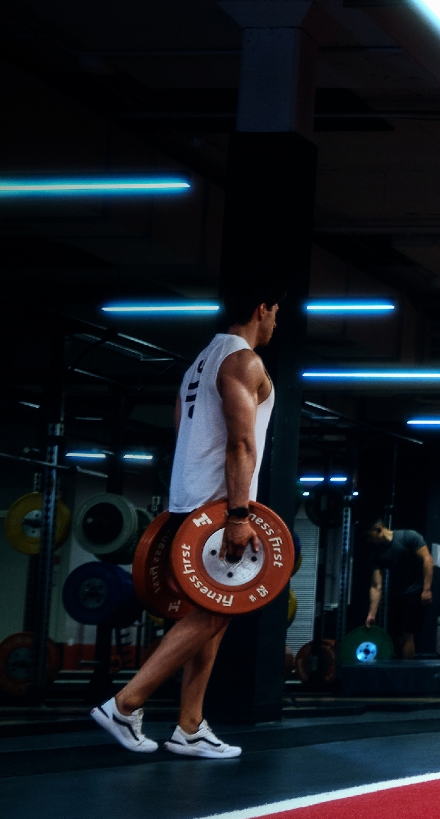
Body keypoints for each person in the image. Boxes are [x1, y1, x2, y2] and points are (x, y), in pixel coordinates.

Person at [88, 285, 280, 759]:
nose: (276, 323)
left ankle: (189, 726)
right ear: (261, 308)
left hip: (191, 502)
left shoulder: (200, 362)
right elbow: (240, 443)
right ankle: (126, 704)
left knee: (215, 611)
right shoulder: (243, 361)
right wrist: (237, 514)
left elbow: (185, 434)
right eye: (276, 313)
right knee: (215, 610)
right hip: (218, 507)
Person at [365, 518, 435, 658]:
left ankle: (407, 674)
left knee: (407, 633)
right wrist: (372, 614)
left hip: (416, 591)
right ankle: (402, 664)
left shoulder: (407, 537)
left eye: (369, 536)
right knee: (394, 634)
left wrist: (426, 589)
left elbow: (427, 559)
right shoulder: (376, 555)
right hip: (398, 594)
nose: (368, 541)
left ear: (378, 529)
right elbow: (376, 585)